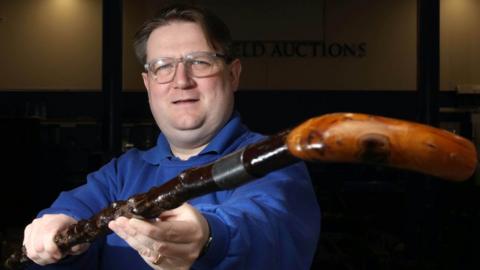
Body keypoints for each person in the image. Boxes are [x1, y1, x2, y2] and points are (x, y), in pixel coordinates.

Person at [23, 3, 320, 270]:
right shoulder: (120, 175)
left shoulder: (271, 160)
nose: (181, 80)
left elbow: (266, 230)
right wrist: (55, 233)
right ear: (148, 84)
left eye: (200, 62)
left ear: (233, 74)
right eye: (163, 66)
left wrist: (210, 237)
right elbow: (76, 210)